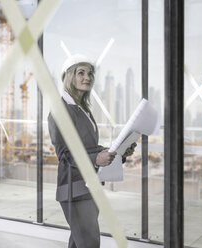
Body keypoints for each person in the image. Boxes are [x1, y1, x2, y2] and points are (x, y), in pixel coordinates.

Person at [48, 54, 136, 248]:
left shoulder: (82, 109)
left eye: (89, 73)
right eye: (81, 73)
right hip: (74, 188)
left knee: (80, 241)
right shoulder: (61, 110)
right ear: (69, 76)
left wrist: (116, 152)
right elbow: (65, 155)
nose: (87, 77)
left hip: (88, 185)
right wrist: (97, 158)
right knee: (89, 242)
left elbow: (88, 148)